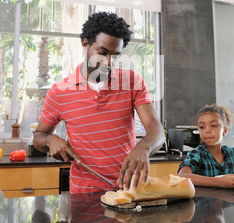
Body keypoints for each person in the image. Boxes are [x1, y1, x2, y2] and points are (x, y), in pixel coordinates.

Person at [33, 11, 164, 193]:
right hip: (85, 195)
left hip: (129, 191)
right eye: (102, 53)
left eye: (115, 55)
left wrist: (144, 148)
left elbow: (156, 130)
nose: (108, 62)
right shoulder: (59, 92)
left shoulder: (132, 81)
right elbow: (38, 137)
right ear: (85, 44)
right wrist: (50, 140)